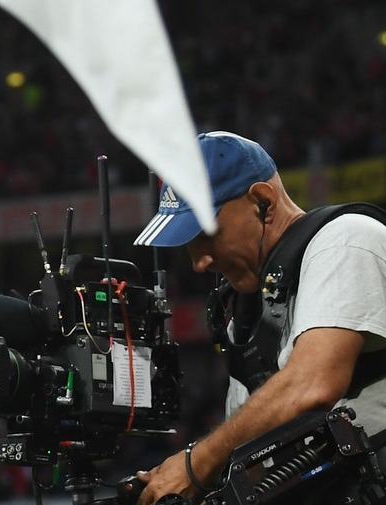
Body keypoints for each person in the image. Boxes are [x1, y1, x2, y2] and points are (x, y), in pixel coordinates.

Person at [131, 131, 386, 504]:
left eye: (205, 234)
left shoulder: (346, 241)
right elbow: (250, 453)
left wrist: (195, 463)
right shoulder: (249, 313)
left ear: (262, 202)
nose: (199, 262)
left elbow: (312, 386)